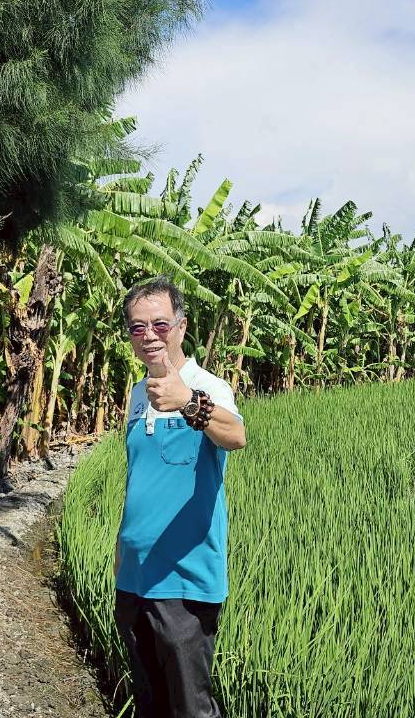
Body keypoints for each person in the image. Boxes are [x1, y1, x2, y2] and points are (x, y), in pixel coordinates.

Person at [113, 276, 247, 718]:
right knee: (149, 705)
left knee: (190, 709)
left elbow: (236, 436)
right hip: (134, 579)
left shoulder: (208, 387)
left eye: (160, 324)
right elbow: (137, 480)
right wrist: (120, 551)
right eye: (137, 327)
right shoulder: (135, 395)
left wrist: (189, 401)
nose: (149, 335)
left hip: (185, 583)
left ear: (182, 326)